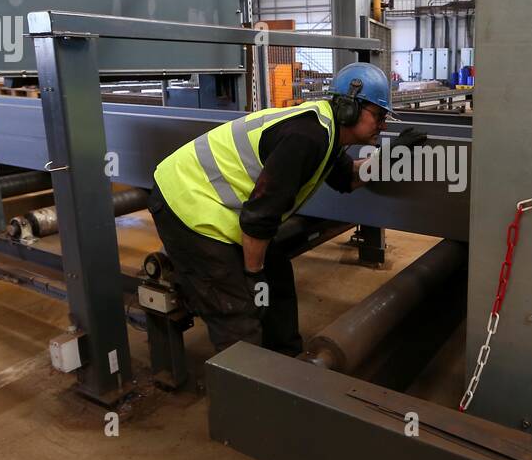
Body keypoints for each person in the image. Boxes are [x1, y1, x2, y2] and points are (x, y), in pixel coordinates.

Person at [149, 62, 424, 355]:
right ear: (349, 107)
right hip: (186, 205)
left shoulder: (327, 133)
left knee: (276, 277)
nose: (382, 125)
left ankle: (286, 361)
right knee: (238, 313)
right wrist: (253, 276)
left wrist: (392, 155)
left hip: (221, 210)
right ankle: (247, 388)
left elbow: (348, 178)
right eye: (379, 116)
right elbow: (259, 218)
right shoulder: (307, 136)